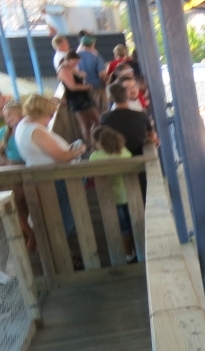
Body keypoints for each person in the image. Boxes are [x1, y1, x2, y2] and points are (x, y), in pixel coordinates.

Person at [16, 94, 87, 261]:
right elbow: (61, 157)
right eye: (49, 115)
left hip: (44, 176)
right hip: (56, 178)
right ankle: (61, 254)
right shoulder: (36, 131)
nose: (50, 119)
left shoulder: (23, 124)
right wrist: (80, 150)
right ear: (40, 113)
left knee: (54, 216)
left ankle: (58, 252)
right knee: (64, 217)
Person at [101, 81, 155, 201]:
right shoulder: (141, 116)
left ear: (110, 98)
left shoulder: (105, 118)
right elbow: (152, 136)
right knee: (143, 193)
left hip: (116, 160)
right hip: (140, 159)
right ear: (127, 96)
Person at [90, 126, 135, 262]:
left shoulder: (95, 157)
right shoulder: (125, 153)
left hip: (111, 198)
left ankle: (128, 253)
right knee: (132, 223)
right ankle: (137, 248)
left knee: (122, 227)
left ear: (100, 143)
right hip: (129, 195)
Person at [0, 101, 32, 250]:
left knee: (25, 205)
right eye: (5, 116)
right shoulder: (3, 132)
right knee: (15, 205)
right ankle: (30, 234)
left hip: (27, 170)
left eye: (9, 115)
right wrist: (7, 162)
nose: (7, 118)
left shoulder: (26, 130)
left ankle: (28, 234)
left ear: (21, 113)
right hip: (10, 172)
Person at [58, 51, 100, 148]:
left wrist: (81, 75)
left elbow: (79, 75)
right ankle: (90, 144)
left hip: (83, 97)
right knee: (87, 123)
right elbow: (72, 86)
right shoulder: (63, 70)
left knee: (96, 120)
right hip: (76, 99)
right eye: (75, 62)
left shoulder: (70, 68)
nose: (76, 64)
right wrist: (87, 87)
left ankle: (95, 140)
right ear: (68, 60)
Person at [76, 34, 108, 111]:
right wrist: (104, 85)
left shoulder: (76, 56)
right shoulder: (96, 57)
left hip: (82, 89)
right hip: (96, 88)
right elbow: (102, 75)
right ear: (93, 43)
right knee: (102, 111)